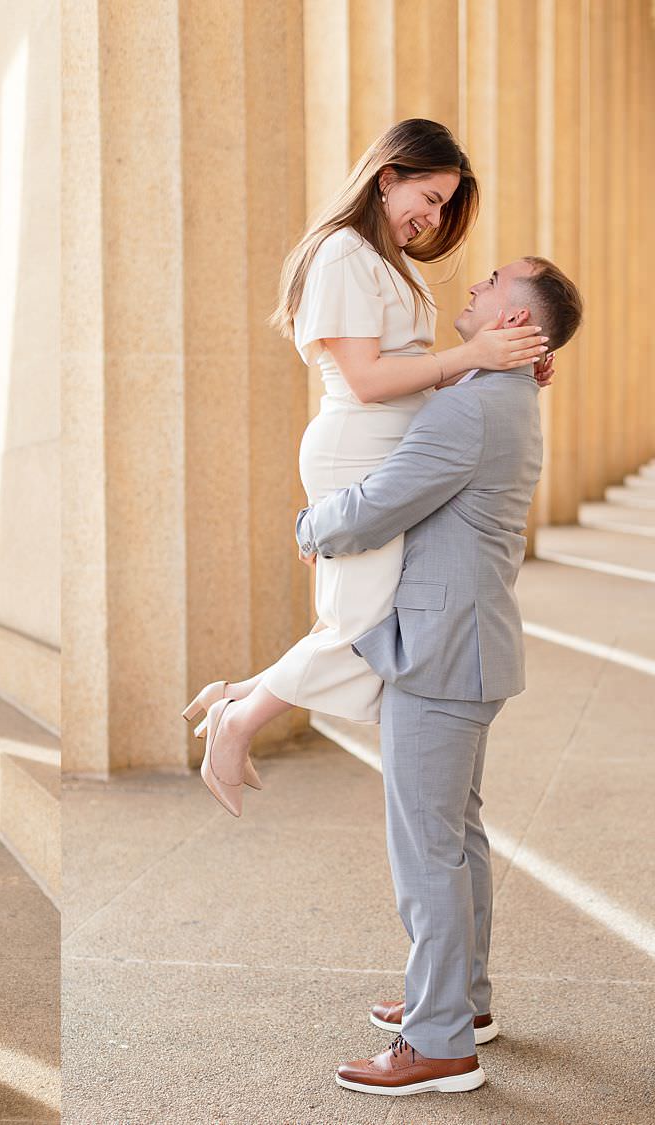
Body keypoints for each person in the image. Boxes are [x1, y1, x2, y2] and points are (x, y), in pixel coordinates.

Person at [182, 118, 550, 817]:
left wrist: (508, 362)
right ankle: (238, 720)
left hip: (388, 448)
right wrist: (471, 360)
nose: (433, 217)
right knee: (368, 627)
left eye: (443, 205)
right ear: (387, 177)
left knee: (367, 621)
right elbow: (369, 378)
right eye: (430, 197)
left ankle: (236, 697)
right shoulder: (343, 255)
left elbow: (414, 375)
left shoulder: (388, 261)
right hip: (357, 447)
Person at [297, 257, 584, 1095]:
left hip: (444, 650)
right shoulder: (507, 395)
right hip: (471, 644)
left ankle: (439, 1043)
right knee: (455, 840)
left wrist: (315, 524)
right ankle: (462, 1003)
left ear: (517, 323)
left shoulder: (472, 408)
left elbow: (388, 496)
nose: (479, 278)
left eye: (496, 279)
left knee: (427, 852)